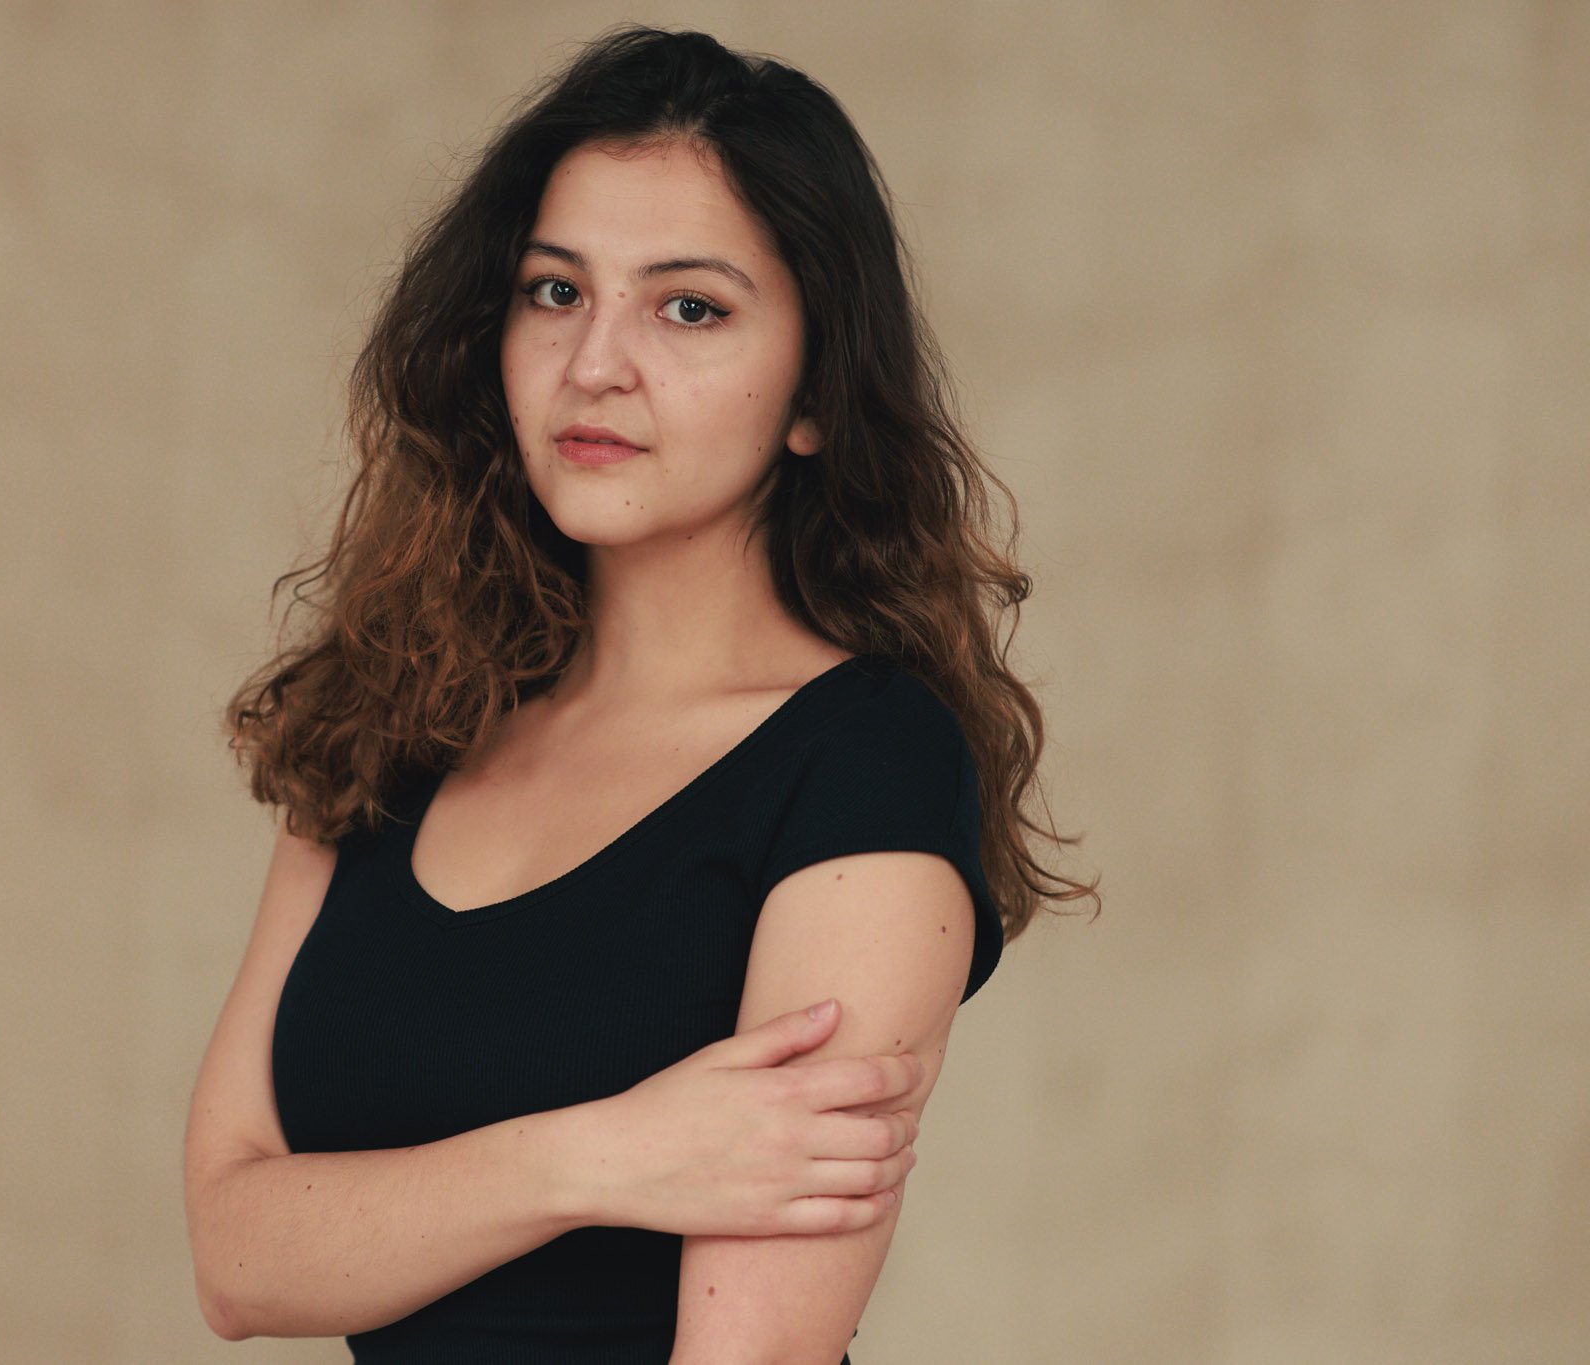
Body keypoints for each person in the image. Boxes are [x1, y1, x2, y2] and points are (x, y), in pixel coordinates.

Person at [183, 24, 1095, 1363]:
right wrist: (602, 1155)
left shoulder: (867, 763)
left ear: (815, 397)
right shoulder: (399, 706)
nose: (597, 362)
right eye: (555, 291)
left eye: (690, 307)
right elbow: (235, 1253)